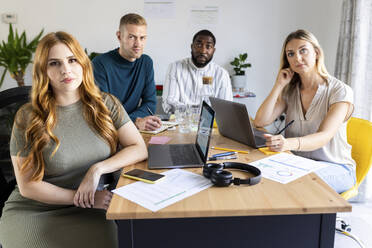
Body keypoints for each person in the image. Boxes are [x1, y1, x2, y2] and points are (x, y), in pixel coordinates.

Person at [0, 31, 147, 248]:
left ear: (83, 64)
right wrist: (81, 198)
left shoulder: (106, 104)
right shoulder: (28, 116)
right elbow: (28, 187)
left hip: (89, 209)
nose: (66, 69)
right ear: (44, 71)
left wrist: (96, 169)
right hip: (35, 210)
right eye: (54, 63)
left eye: (72, 60)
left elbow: (138, 148)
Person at [254, 29, 355, 194]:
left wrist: (287, 143)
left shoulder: (340, 91)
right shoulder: (290, 91)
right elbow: (260, 121)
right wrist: (278, 85)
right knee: (258, 176)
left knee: (291, 185)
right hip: (297, 163)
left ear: (316, 52)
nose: (297, 58)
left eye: (303, 51)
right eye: (291, 54)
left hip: (337, 168)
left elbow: (324, 136)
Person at [93, 13, 161, 131]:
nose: (138, 44)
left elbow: (150, 104)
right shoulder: (100, 64)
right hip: (107, 131)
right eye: (131, 37)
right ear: (119, 36)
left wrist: (135, 122)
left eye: (142, 38)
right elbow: (102, 111)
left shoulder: (146, 63)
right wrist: (134, 121)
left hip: (133, 129)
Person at [162, 29, 233, 114]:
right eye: (199, 45)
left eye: (208, 46)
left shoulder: (221, 74)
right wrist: (201, 111)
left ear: (213, 50)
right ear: (192, 47)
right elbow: (169, 105)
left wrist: (188, 109)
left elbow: (226, 108)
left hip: (210, 125)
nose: (203, 51)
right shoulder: (175, 68)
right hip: (181, 124)